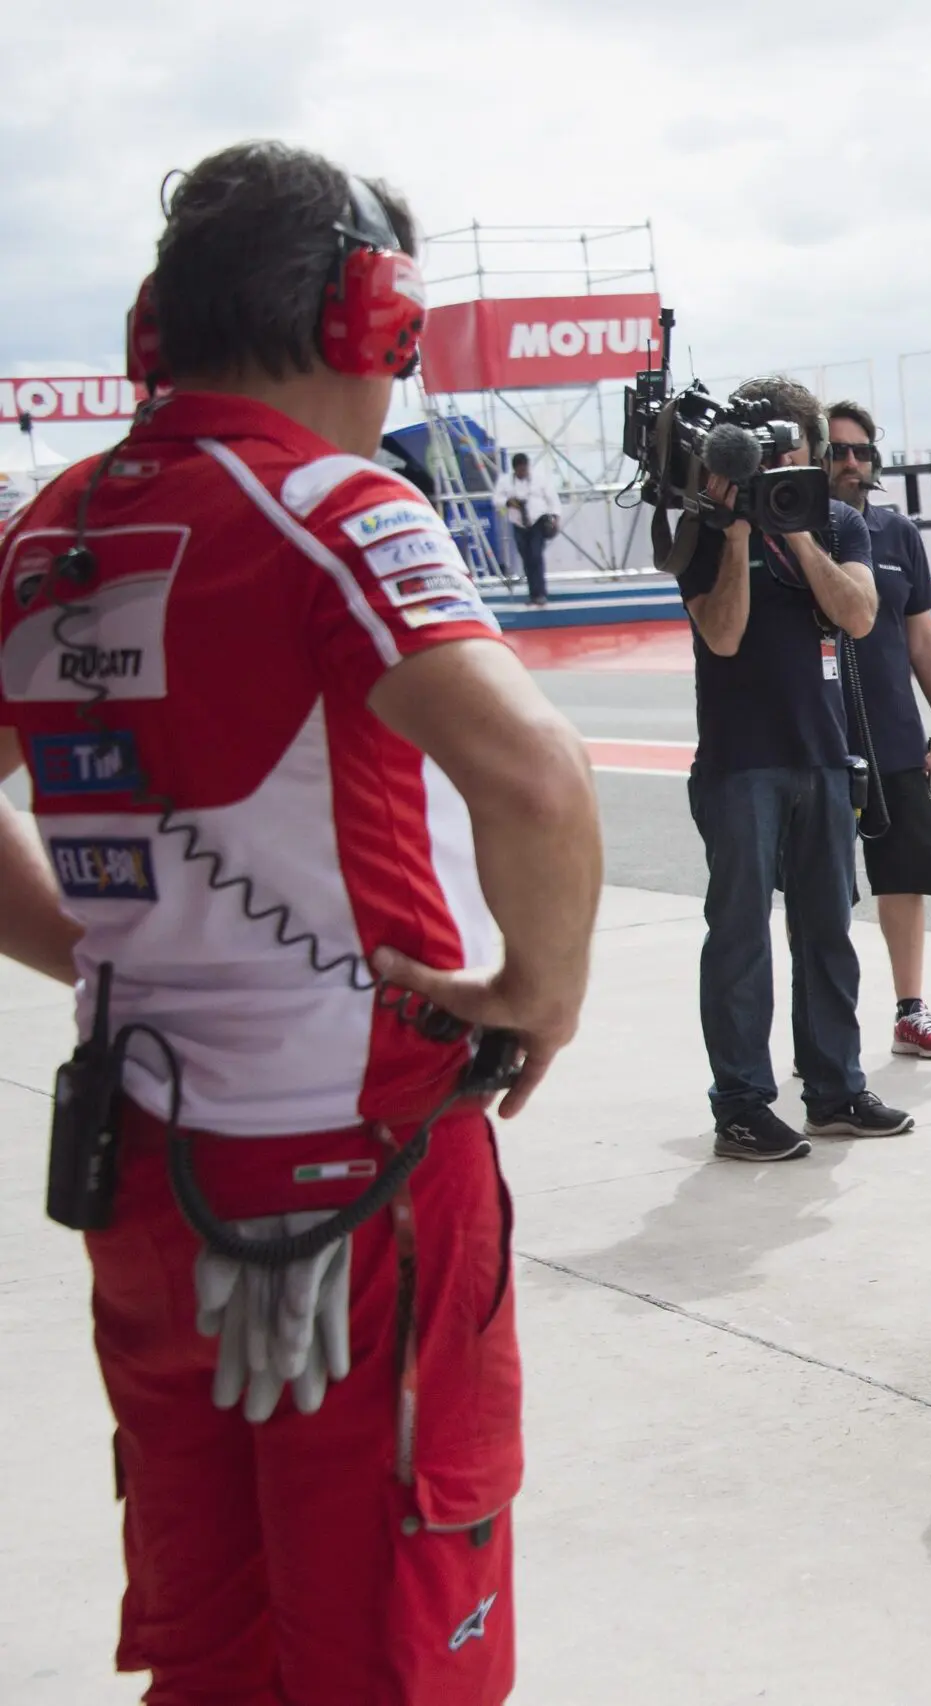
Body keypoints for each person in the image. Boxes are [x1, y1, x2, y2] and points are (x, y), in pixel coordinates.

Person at [0, 140, 602, 1700]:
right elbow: (538, 780)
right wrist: (539, 992)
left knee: (213, 1635)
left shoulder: (49, 530)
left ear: (157, 325)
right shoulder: (337, 509)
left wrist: (94, 950)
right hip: (366, 1182)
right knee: (396, 1640)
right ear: (370, 316)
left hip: (146, 1173)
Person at [675, 377, 910, 1159]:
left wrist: (799, 532)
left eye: (788, 448)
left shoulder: (839, 521)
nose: (777, 463)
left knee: (828, 935)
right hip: (740, 762)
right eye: (763, 451)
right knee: (740, 939)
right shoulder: (704, 526)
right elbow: (723, 636)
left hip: (823, 757)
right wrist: (739, 532)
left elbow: (860, 615)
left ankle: (835, 1091)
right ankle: (742, 1105)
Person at [823, 400, 931, 1058]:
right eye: (836, 451)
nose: (851, 462)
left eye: (861, 451)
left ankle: (911, 1011)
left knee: (905, 875)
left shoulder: (898, 533)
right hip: (818, 746)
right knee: (820, 889)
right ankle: (823, 1028)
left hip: (894, 740)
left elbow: (922, 636)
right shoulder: (792, 535)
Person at [494, 450, 557, 605]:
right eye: (520, 470)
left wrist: (555, 517)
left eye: (525, 469)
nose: (523, 472)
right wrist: (508, 502)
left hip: (537, 521)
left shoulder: (539, 479)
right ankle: (533, 594)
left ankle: (541, 593)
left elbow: (552, 499)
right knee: (526, 558)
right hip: (519, 524)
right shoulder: (505, 481)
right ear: (515, 469)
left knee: (536, 555)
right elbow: (496, 500)